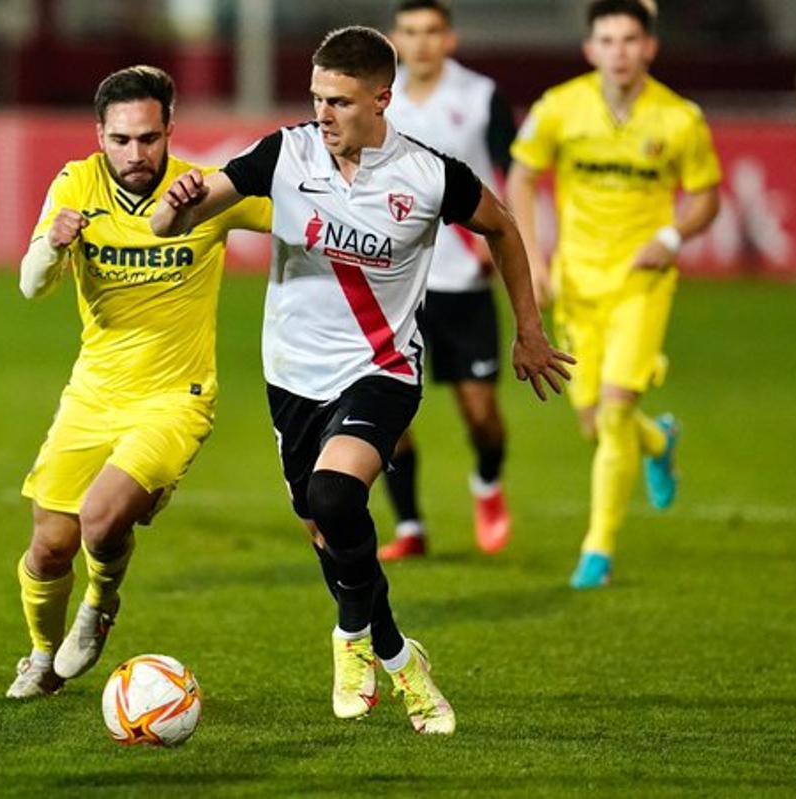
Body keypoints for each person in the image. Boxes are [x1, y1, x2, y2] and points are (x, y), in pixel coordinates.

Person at [152, 26, 572, 734]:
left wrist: (528, 329)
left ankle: (350, 637)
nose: (323, 114)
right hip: (293, 378)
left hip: (382, 369)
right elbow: (176, 220)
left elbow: (503, 227)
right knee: (328, 532)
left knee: (334, 493)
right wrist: (177, 201)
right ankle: (399, 656)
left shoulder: (428, 175)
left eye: (340, 101)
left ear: (381, 99)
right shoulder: (285, 155)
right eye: (317, 98)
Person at [6, 65, 272, 699]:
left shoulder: (203, 192)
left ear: (169, 130)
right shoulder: (75, 185)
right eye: (121, 139)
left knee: (100, 520)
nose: (135, 154)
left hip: (176, 398)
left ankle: (101, 603)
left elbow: (301, 208)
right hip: (94, 394)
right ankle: (41, 658)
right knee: (50, 545)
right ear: (100, 135)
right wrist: (53, 244)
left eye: (148, 138)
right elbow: (32, 285)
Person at [507, 0, 721, 590]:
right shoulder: (559, 108)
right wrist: (534, 259)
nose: (619, 52)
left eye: (630, 40)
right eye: (607, 40)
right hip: (578, 282)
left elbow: (707, 196)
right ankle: (658, 440)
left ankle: (596, 550)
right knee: (593, 423)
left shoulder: (679, 119)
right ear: (590, 49)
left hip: (641, 284)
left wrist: (672, 237)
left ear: (649, 47)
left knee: (615, 409)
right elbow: (521, 175)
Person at [378, 0, 519, 561]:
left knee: (481, 415)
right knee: (383, 410)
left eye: (432, 31)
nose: (421, 42)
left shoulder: (480, 97)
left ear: (449, 39)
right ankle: (410, 527)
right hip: (393, 282)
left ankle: (487, 481)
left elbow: (514, 174)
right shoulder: (376, 98)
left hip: (464, 281)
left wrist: (501, 235)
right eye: (410, 31)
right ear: (395, 38)